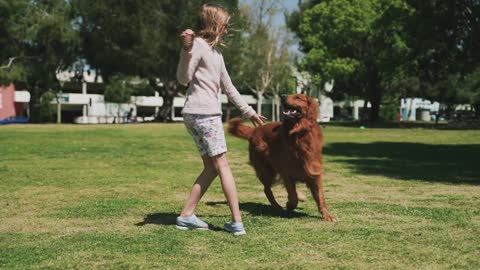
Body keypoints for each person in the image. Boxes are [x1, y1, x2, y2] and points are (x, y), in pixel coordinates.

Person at [175, 3, 266, 236]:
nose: (226, 29)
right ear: (214, 25)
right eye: (224, 25)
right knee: (223, 165)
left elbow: (229, 88)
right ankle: (237, 222)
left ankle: (186, 215)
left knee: (211, 167)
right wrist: (186, 51)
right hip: (205, 115)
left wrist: (250, 112)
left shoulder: (216, 54)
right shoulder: (196, 46)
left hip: (194, 115)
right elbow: (183, 78)